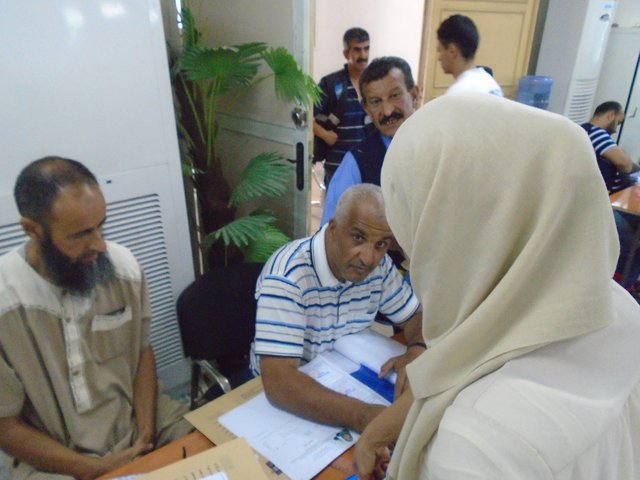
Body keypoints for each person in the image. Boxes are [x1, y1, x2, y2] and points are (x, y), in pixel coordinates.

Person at [354, 94, 640, 479]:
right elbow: (468, 360)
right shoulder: (616, 307)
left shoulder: (475, 449)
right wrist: (378, 431)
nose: (404, 249)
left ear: (450, 229)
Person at [0, 157, 192, 480]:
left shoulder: (124, 269)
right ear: (33, 230)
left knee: (218, 450)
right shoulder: (6, 304)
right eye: (80, 234)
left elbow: (142, 352)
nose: (100, 245)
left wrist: (145, 434)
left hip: (138, 423)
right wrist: (94, 468)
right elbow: (6, 426)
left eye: (101, 225)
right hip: (55, 457)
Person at [251, 184, 424, 433]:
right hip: (286, 395)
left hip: (346, 378)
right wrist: (364, 417)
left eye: (381, 244)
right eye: (358, 238)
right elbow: (279, 384)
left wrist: (417, 349)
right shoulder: (288, 277)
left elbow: (414, 314)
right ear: (333, 229)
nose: (368, 258)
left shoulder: (380, 267)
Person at [321, 56, 420, 226]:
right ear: (366, 108)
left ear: (414, 94)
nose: (387, 111)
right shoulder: (356, 163)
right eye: (376, 102)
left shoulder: (442, 147)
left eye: (395, 96)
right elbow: (331, 230)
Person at [582, 101, 640, 291]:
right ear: (610, 115)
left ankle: (623, 280)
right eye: (619, 122)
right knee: (634, 240)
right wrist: (630, 165)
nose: (616, 128)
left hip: (606, 200)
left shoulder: (585, 131)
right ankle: (620, 283)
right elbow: (623, 162)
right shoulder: (595, 133)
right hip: (601, 205)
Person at [314, 27, 371, 187]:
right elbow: (306, 115)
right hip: (338, 166)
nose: (363, 55)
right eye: (357, 50)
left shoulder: (374, 83)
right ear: (346, 53)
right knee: (337, 204)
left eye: (366, 48)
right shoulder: (330, 83)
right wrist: (325, 134)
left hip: (367, 163)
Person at [436, 14, 503, 96]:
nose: (439, 58)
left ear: (452, 51)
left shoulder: (457, 94)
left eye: (439, 51)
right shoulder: (491, 83)